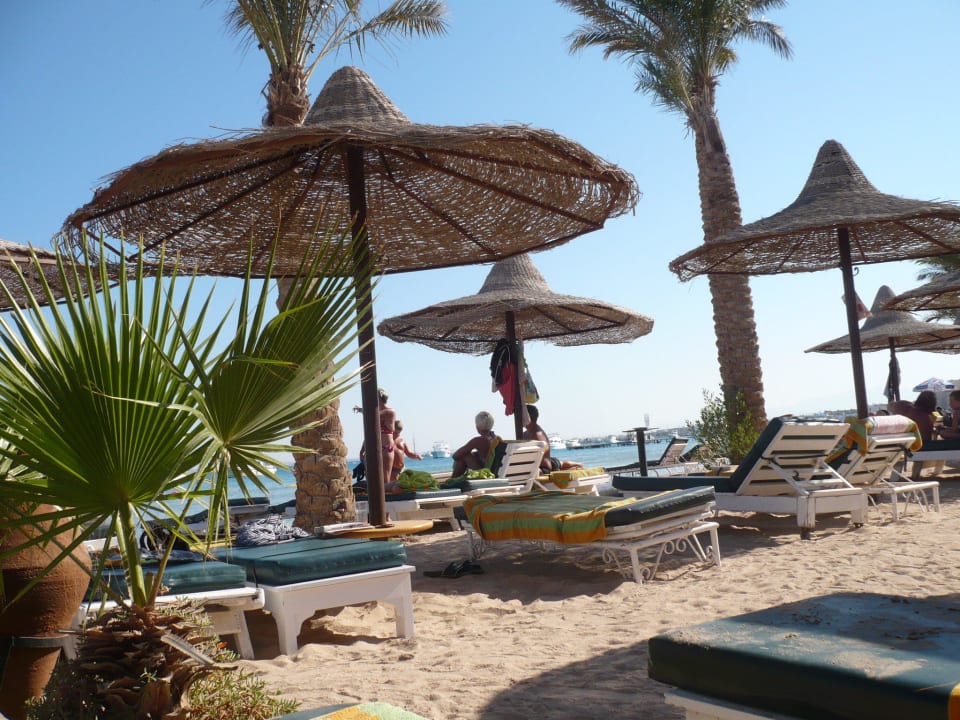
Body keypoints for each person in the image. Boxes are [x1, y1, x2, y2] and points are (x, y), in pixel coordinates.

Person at [889, 390, 937, 479]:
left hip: (907, 444)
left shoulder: (909, 409)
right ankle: (915, 475)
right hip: (922, 444)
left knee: (899, 449)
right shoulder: (927, 416)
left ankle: (896, 477)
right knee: (920, 447)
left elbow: (890, 406)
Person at [522, 404, 582, 473]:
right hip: (550, 461)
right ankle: (575, 465)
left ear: (527, 417)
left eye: (520, 416)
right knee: (559, 463)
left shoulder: (537, 434)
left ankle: (576, 466)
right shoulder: (526, 433)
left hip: (544, 467)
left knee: (537, 470)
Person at [451, 411, 498, 477]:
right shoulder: (496, 439)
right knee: (470, 455)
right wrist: (476, 454)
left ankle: (452, 480)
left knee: (465, 455)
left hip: (486, 474)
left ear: (477, 427)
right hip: (495, 471)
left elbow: (455, 456)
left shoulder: (477, 441)